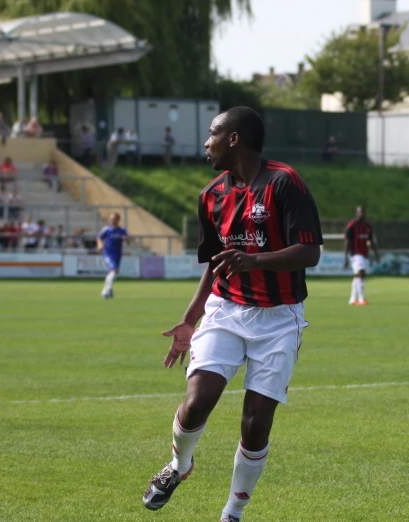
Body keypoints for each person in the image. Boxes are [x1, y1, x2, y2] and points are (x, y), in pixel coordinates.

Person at [142, 107, 322, 522]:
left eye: (212, 134)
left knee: (256, 423)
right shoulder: (211, 195)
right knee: (196, 402)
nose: (206, 144)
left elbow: (310, 251)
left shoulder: (284, 182)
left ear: (234, 138)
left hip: (279, 318)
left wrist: (254, 261)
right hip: (225, 310)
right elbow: (216, 264)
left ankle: (232, 513)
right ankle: (178, 466)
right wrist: (190, 319)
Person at [343, 205, 379, 305]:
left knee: (358, 276)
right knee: (361, 273)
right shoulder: (352, 226)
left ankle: (352, 299)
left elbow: (371, 241)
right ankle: (361, 299)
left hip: (365, 254)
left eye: (363, 212)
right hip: (355, 254)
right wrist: (345, 257)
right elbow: (347, 242)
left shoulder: (368, 226)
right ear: (356, 213)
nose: (361, 214)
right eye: (359, 212)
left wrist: (376, 254)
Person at [96, 212, 129, 299]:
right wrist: (100, 244)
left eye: (114, 219)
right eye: (111, 218)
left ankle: (107, 290)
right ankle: (107, 290)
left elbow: (128, 241)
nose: (112, 220)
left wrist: (126, 239)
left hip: (118, 253)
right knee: (114, 270)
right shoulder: (106, 229)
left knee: (114, 272)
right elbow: (99, 237)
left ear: (118, 220)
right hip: (108, 253)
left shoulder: (122, 230)